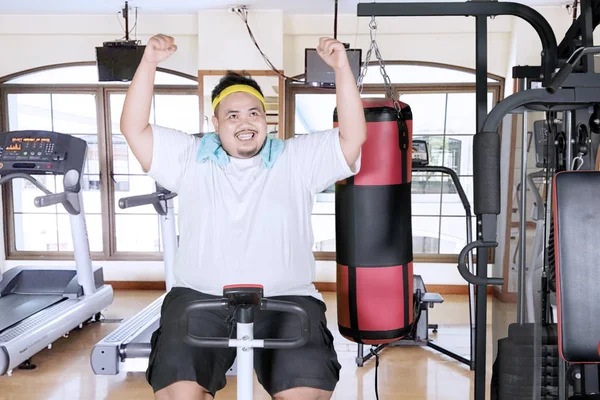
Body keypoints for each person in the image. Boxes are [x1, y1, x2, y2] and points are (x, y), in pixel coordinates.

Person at [120, 33, 366, 400]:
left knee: (305, 394)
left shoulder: (294, 159)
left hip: (288, 299)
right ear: (216, 123)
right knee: (180, 394)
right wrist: (149, 62)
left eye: (253, 113)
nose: (244, 122)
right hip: (199, 299)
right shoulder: (190, 157)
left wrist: (342, 69)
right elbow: (133, 129)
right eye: (232, 115)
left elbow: (352, 137)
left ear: (265, 119)